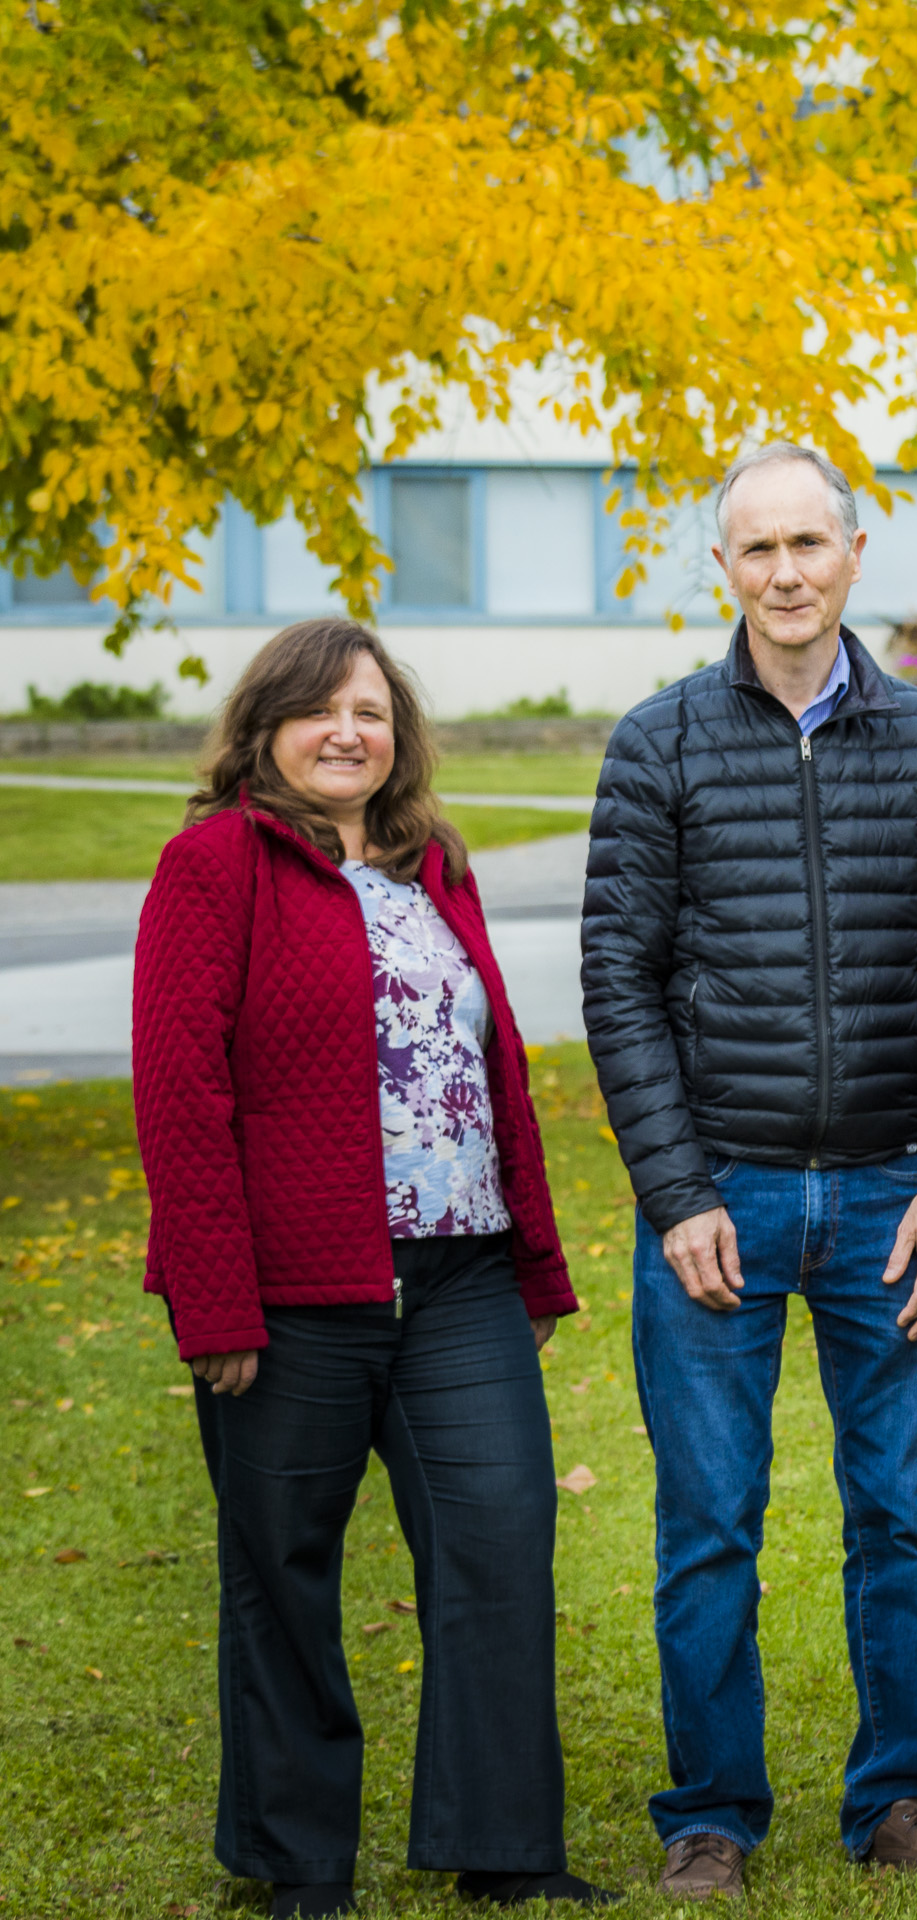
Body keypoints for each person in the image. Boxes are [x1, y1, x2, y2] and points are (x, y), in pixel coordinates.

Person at [582, 443, 917, 1898]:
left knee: (903, 1518)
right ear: (724, 569)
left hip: (893, 1192)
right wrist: (676, 1189)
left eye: (807, 543)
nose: (784, 572)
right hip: (722, 1199)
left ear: (853, 553)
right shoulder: (661, 744)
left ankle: (901, 1802)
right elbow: (619, 983)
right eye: (755, 549)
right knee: (710, 1521)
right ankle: (710, 1813)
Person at [132, 620, 604, 1916]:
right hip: (292, 1296)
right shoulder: (211, 865)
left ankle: (502, 1850)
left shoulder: (430, 863)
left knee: (501, 1542)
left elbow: (489, 1068)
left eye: (373, 710)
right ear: (265, 727)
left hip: (458, 1283)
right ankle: (295, 1863)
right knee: (283, 1570)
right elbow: (181, 1095)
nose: (350, 730)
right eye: (321, 708)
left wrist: (536, 1266)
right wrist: (214, 1299)